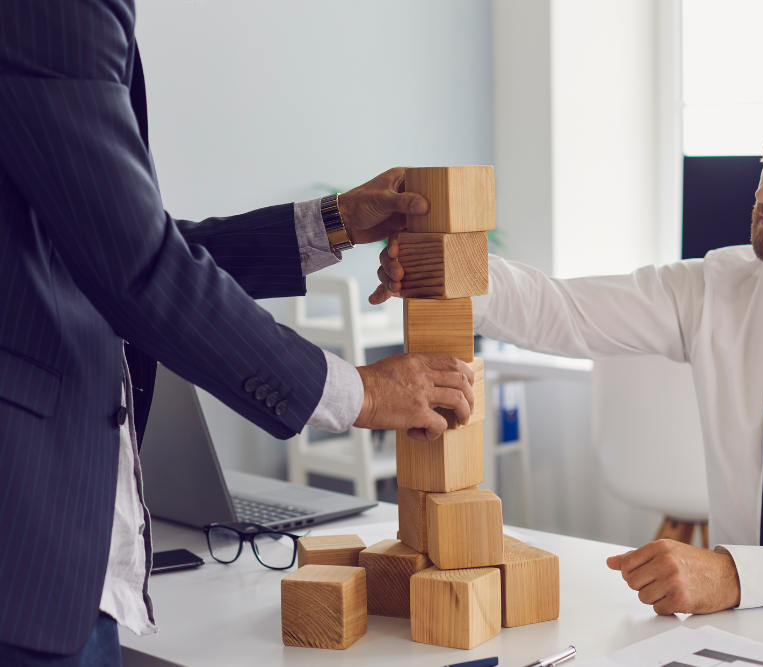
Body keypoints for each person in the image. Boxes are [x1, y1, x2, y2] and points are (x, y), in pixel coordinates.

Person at [375, 63, 763, 615]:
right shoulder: (718, 285)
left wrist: (738, 576)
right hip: (741, 629)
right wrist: (443, 267)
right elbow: (560, 310)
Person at [0, 0, 475, 663]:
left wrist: (331, 222)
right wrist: (359, 392)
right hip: (27, 549)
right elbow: (136, 265)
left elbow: (107, 246)